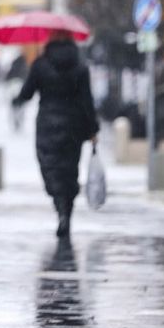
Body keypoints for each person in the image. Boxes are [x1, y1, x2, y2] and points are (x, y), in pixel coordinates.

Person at [13, 30, 99, 238]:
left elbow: (27, 93)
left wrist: (17, 99)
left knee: (50, 167)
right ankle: (66, 212)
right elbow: (87, 102)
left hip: (47, 125)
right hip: (73, 125)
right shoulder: (80, 67)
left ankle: (59, 206)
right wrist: (93, 130)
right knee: (70, 170)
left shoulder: (41, 64)